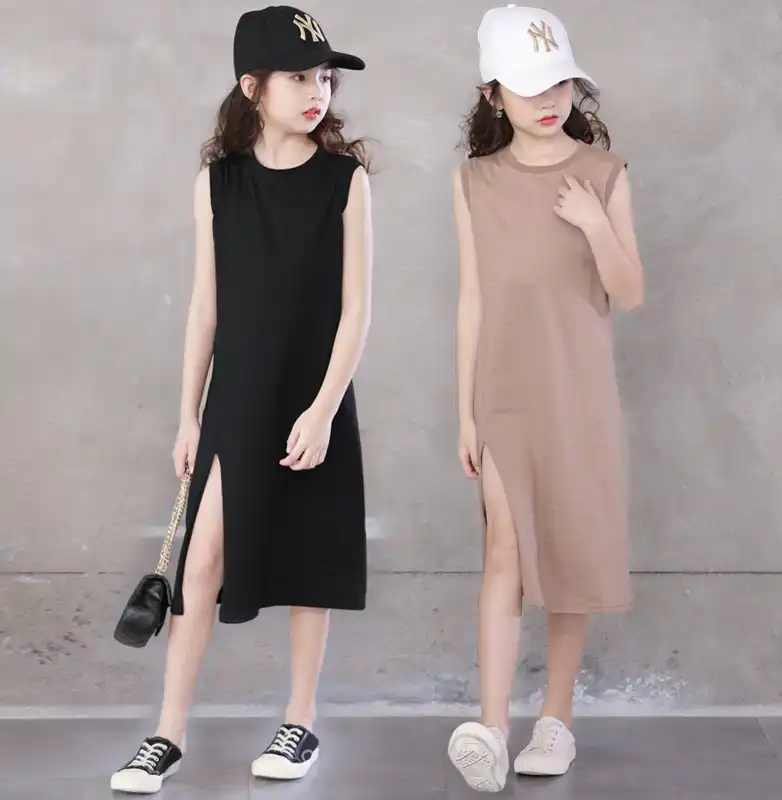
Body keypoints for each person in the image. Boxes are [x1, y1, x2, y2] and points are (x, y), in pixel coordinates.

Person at [110, 5, 373, 794]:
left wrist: (324, 409)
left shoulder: (345, 181)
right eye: (299, 77)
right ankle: (167, 733)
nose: (317, 92)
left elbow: (358, 310)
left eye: (324, 77)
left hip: (314, 394)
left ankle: (301, 721)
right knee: (202, 562)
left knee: (311, 554)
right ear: (252, 85)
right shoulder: (219, 182)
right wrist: (188, 415)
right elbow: (206, 307)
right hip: (239, 394)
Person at [446, 5, 644, 793]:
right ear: (492, 94)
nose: (548, 99)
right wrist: (464, 411)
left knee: (568, 549)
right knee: (504, 549)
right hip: (503, 392)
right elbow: (471, 300)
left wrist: (595, 223)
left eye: (559, 81)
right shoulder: (474, 181)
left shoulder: (605, 172)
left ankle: (555, 721)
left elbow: (629, 291)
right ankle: (492, 729)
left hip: (578, 391)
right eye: (529, 86)